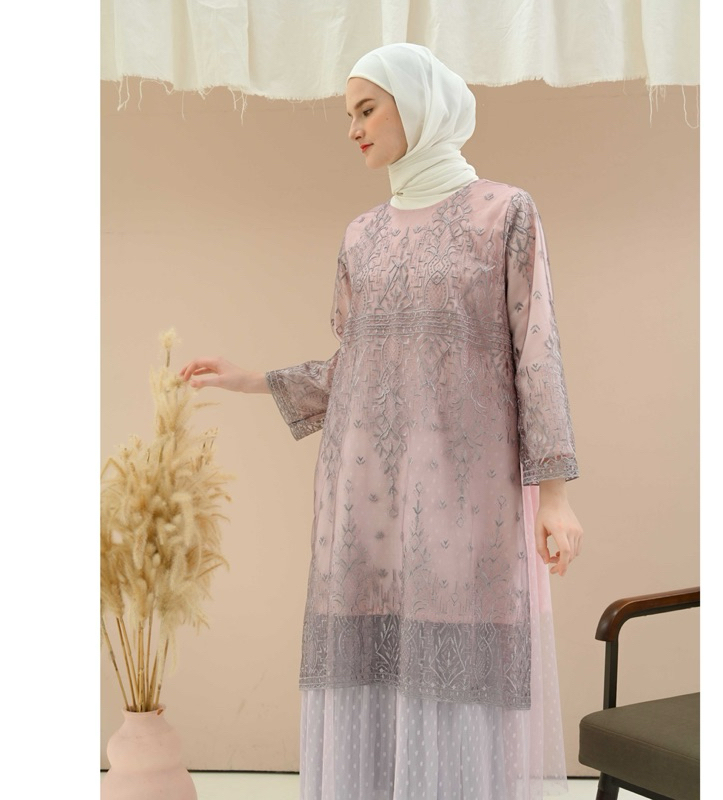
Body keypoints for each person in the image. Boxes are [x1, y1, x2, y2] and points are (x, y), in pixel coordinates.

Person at [181, 42, 583, 800]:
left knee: (454, 676)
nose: (353, 128)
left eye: (367, 109)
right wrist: (251, 379)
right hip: (362, 499)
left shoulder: (504, 214)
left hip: (466, 498)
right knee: (370, 668)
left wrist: (554, 496)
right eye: (348, 115)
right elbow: (363, 367)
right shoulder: (360, 236)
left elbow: (538, 353)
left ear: (419, 106)